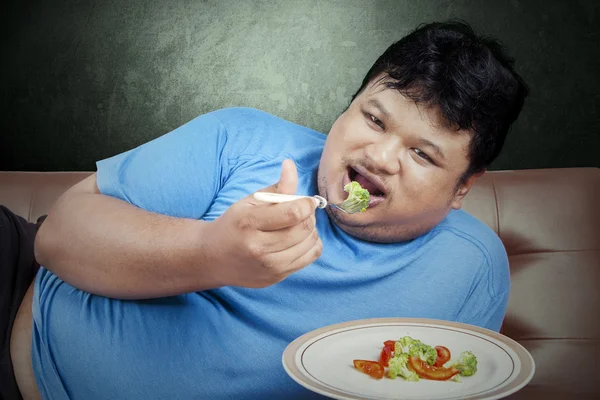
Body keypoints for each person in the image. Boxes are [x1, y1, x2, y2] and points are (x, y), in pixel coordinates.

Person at [4, 20, 528, 399]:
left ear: (463, 187)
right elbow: (57, 238)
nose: (380, 158)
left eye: (421, 154)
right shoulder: (243, 138)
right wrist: (211, 254)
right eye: (373, 119)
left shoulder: (471, 269)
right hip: (22, 318)